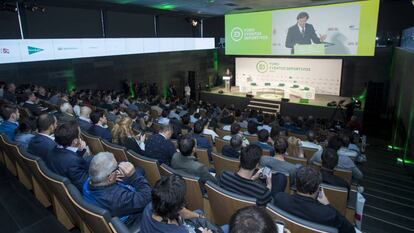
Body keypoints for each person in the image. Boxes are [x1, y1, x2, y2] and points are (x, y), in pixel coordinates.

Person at [274, 166, 355, 233]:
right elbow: (350, 230)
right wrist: (328, 205)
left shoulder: (280, 198)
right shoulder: (329, 214)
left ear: (296, 184)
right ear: (318, 188)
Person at [83, 152, 152, 228]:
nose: (118, 168)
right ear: (110, 177)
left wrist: (114, 178)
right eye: (117, 167)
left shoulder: (88, 182)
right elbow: (148, 196)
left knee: (140, 170)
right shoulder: (117, 199)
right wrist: (133, 176)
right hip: (132, 219)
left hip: (107, 204)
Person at [140, 175, 214, 233]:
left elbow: (182, 212)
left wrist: (198, 216)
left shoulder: (150, 207)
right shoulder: (179, 231)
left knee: (199, 212)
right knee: (225, 227)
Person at [45, 121, 90, 190]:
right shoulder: (73, 162)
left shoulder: (51, 150)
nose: (80, 137)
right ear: (75, 141)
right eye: (79, 135)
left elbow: (68, 156)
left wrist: (80, 151)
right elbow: (84, 185)